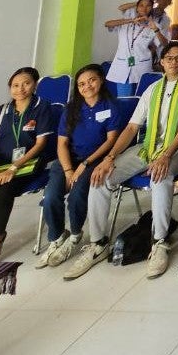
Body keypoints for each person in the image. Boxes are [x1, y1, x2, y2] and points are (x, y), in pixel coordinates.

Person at [68, 41, 178, 280]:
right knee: (101, 176)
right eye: (168, 57)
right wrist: (109, 158)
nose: (174, 62)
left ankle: (160, 241)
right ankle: (98, 243)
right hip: (148, 145)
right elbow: (131, 128)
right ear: (161, 61)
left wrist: (166, 155)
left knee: (160, 176)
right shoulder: (152, 90)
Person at [37, 65, 121, 269]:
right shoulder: (71, 108)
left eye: (91, 80)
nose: (87, 86)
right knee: (51, 196)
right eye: (81, 84)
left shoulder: (110, 106)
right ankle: (56, 237)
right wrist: (68, 170)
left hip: (95, 160)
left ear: (101, 80)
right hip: (68, 160)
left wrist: (85, 164)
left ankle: (74, 235)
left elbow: (111, 141)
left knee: (77, 195)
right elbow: (62, 144)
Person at [0, 67, 55, 258]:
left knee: (4, 191)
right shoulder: (2, 111)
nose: (20, 89)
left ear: (35, 85)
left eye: (26, 84)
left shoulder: (42, 107)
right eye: (15, 85)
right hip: (1, 164)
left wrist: (14, 168)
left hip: (28, 163)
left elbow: (40, 144)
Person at [105, 0, 167, 96]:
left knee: (141, 99)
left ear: (152, 8)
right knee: (124, 99)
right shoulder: (125, 22)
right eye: (141, 5)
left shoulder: (155, 25)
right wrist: (130, 20)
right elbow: (107, 24)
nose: (144, 8)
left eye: (148, 5)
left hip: (142, 66)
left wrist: (155, 29)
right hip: (123, 66)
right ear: (136, 8)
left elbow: (165, 44)